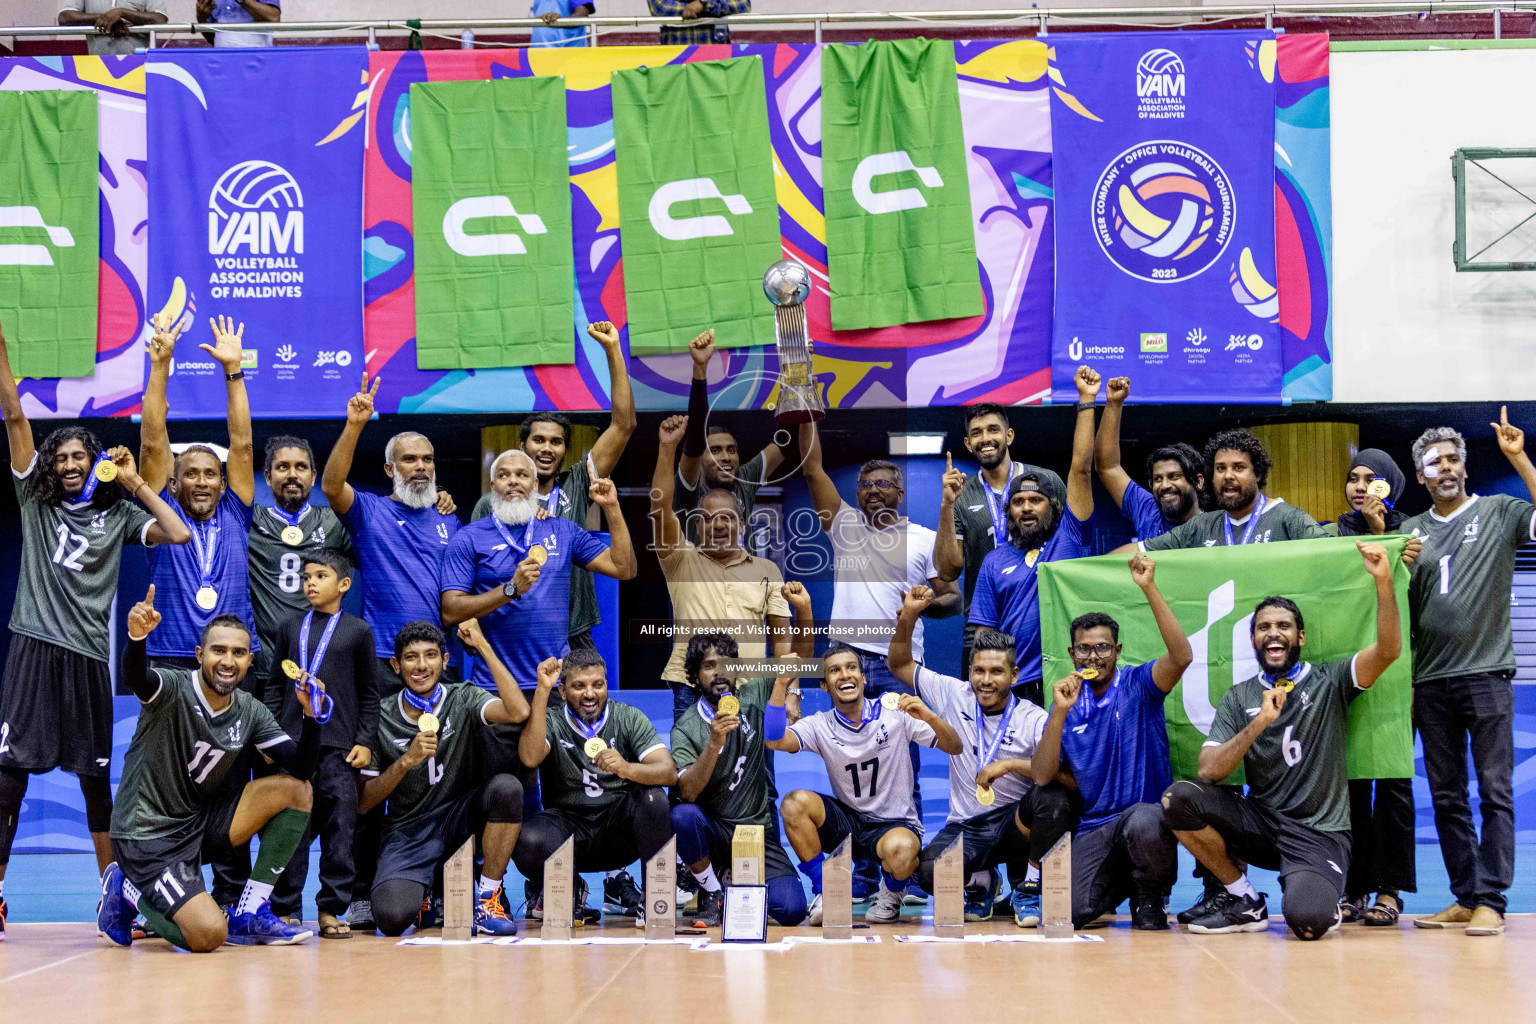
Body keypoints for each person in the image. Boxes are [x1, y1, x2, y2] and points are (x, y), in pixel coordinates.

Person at [0, 322, 190, 940]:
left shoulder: (116, 516)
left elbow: (177, 532)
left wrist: (134, 483)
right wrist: (3, 349)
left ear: (95, 464)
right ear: (51, 465)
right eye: (64, 457)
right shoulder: (35, 500)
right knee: (9, 773)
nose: (73, 464)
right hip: (33, 646)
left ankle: (114, 898)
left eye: (83, 456)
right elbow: (13, 417)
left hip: (87, 657)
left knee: (93, 781)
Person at [1160, 542, 1404, 940]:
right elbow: (1209, 770)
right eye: (1264, 627)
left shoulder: (1330, 680)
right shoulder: (1240, 696)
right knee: (1178, 799)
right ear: (1254, 639)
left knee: (1307, 922)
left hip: (1318, 833)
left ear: (1300, 637)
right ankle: (1245, 899)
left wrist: (1383, 580)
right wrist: (1260, 722)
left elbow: (1390, 650)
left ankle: (1311, 889)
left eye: (1284, 626)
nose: (1273, 633)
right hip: (1262, 824)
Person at [97, 590, 320, 950]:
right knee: (208, 935)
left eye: (237, 653)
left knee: (297, 791)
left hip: (197, 825)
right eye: (218, 650)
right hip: (147, 836)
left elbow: (302, 767)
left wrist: (310, 716)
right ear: (200, 655)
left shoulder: (249, 709)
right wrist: (136, 639)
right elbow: (138, 677)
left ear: (250, 660)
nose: (227, 661)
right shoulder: (173, 688)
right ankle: (127, 888)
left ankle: (249, 910)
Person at [1405, 412, 1536, 937]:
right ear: (1420, 476)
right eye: (1435, 462)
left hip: (1486, 676)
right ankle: (1464, 896)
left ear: (1464, 465)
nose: (1446, 468)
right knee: (1447, 796)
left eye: (1454, 458)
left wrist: (1518, 459)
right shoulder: (1408, 533)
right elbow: (1394, 608)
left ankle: (1492, 901)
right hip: (1430, 682)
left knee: (1496, 791)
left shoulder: (1502, 511)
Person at [1028, 555, 1193, 930]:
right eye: (1084, 648)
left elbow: (1182, 657)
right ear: (1072, 654)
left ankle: (1149, 892)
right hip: (1095, 828)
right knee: (1064, 913)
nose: (1093, 656)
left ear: (1117, 652)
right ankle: (1122, 885)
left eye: (1103, 647)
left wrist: (1148, 587)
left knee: (1146, 821)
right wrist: (1056, 713)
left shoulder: (1140, 684)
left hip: (1142, 816)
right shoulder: (1066, 703)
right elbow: (1041, 776)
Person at [889, 591, 1071, 929]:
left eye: (996, 672)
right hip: (967, 825)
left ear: (1014, 676)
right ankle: (982, 882)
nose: (986, 680)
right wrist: (909, 615)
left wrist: (1010, 764)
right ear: (969, 671)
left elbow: (1051, 774)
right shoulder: (953, 694)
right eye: (979, 671)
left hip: (1016, 824)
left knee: (1054, 798)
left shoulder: (1032, 717)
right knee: (929, 872)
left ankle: (1029, 886)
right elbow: (899, 664)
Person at [470, 322, 634, 652]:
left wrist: (613, 352)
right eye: (539, 440)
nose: (547, 448)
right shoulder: (490, 503)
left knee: (586, 702)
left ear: (564, 450)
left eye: (556, 442)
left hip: (572, 629)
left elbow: (623, 425)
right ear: (523, 445)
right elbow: (474, 568)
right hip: (511, 628)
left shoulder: (576, 484)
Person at [359, 620, 529, 937]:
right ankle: (428, 891)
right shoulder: (380, 716)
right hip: (409, 830)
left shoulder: (462, 697)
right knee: (392, 917)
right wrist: (405, 761)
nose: (421, 665)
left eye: (431, 655)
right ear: (396, 665)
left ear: (445, 660)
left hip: (458, 819)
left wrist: (482, 645)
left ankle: (487, 899)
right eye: (411, 657)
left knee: (507, 789)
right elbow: (365, 801)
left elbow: (517, 711)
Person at [771, 644, 963, 925]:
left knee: (903, 848)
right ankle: (827, 890)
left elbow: (955, 746)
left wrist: (930, 716)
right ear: (824, 686)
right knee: (793, 804)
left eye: (851, 668)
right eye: (834, 671)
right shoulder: (820, 724)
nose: (844, 675)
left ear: (863, 678)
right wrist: (779, 683)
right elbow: (775, 739)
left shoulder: (896, 713)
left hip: (892, 825)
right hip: (848, 823)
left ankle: (892, 892)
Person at [956, 365, 1100, 705]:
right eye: (1018, 501)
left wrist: (1086, 401)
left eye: (1035, 500)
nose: (1026, 508)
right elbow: (985, 635)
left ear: (1053, 506)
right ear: (1008, 512)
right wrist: (991, 687)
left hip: (1071, 678)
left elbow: (1081, 469)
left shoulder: (1070, 538)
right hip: (1017, 687)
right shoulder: (994, 562)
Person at [259, 550, 378, 938]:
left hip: (340, 748)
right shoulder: (289, 626)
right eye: (307, 576)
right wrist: (271, 734)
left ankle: (330, 910)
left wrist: (364, 740)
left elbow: (369, 694)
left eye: (320, 576)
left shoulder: (358, 631)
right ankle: (286, 908)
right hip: (293, 747)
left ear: (343, 584)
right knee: (290, 829)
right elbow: (275, 686)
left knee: (339, 831)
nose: (310, 582)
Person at [513, 649, 678, 927]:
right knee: (527, 840)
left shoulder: (628, 717)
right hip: (568, 829)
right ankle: (569, 888)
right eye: (579, 686)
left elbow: (669, 772)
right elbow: (529, 757)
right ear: (563, 691)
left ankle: (653, 901)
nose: (590, 693)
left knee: (654, 799)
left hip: (618, 831)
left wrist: (627, 768)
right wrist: (542, 691)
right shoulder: (552, 719)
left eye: (597, 685)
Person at [321, 372, 462, 689]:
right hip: (383, 657)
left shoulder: (449, 517)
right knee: (379, 738)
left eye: (427, 459)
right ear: (390, 469)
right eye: (410, 459)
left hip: (436, 655)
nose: (421, 466)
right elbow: (331, 486)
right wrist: (355, 425)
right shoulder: (370, 511)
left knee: (440, 738)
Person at [1321, 448, 1414, 926]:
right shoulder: (1328, 536)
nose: (1359, 487)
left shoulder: (1410, 536)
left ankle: (1390, 890)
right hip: (1348, 673)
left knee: (1393, 783)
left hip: (1394, 675)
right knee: (1352, 785)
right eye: (1353, 478)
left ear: (1390, 487)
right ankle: (1353, 888)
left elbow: (1411, 594)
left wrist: (1385, 539)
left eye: (1371, 480)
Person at [138, 314, 260, 670]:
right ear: (174, 485)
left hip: (232, 654)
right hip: (170, 652)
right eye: (191, 474)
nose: (203, 481)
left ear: (224, 484)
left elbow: (242, 444)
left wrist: (233, 370)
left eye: (211, 474)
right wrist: (160, 365)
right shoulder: (164, 509)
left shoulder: (235, 510)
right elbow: (150, 444)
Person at [653, 414, 792, 719]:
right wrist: (667, 449)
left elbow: (782, 637)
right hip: (691, 683)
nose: (719, 526)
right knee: (691, 765)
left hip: (752, 684)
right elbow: (661, 508)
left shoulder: (768, 570)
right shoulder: (682, 557)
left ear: (742, 523)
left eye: (728, 519)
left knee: (755, 767)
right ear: (697, 525)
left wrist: (790, 689)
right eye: (714, 450)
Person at [670, 629, 808, 928]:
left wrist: (804, 608)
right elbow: (689, 792)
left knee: (792, 910)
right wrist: (714, 744)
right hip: (716, 833)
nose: (719, 673)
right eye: (708, 666)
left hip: (758, 832)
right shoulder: (686, 727)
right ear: (695, 675)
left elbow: (795, 661)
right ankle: (711, 889)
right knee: (682, 816)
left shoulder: (755, 695)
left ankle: (734, 878)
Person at [937, 403, 1057, 676]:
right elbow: (947, 570)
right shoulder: (961, 493)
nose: (986, 439)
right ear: (968, 443)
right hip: (981, 629)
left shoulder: (1047, 482)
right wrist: (946, 505)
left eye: (993, 430)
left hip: (1039, 625)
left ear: (1009, 435)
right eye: (977, 433)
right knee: (983, 716)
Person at [676, 330, 791, 555]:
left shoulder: (744, 479)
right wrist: (700, 370)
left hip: (746, 586)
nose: (726, 457)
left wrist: (796, 373)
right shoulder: (688, 489)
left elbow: (786, 441)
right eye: (716, 451)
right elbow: (695, 439)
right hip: (704, 586)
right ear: (700, 459)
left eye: (731, 450)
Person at [1135, 428, 1328, 551]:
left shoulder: (1289, 519)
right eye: (1220, 468)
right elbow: (1137, 551)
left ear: (1258, 473)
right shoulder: (1200, 526)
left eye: (1238, 467)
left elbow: (1337, 553)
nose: (1228, 475)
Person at [1093, 376, 1206, 540]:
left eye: (1174, 476)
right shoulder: (1149, 513)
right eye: (1158, 479)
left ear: (1199, 481)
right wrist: (1114, 404)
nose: (1165, 485)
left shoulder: (1216, 527)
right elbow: (1107, 467)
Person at [57, 0, 168, 55]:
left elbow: (160, 19)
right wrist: (106, 18)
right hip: (98, 65)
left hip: (137, 66)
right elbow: (65, 17)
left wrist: (122, 13)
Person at [648, 0, 750, 45]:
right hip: (677, 54)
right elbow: (658, 7)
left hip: (716, 53)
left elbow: (743, 4)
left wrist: (704, 4)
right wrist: (692, 8)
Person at [196, 0, 279, 47]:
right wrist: (202, 18)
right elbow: (213, 38)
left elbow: (273, 17)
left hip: (256, 59)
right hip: (223, 59)